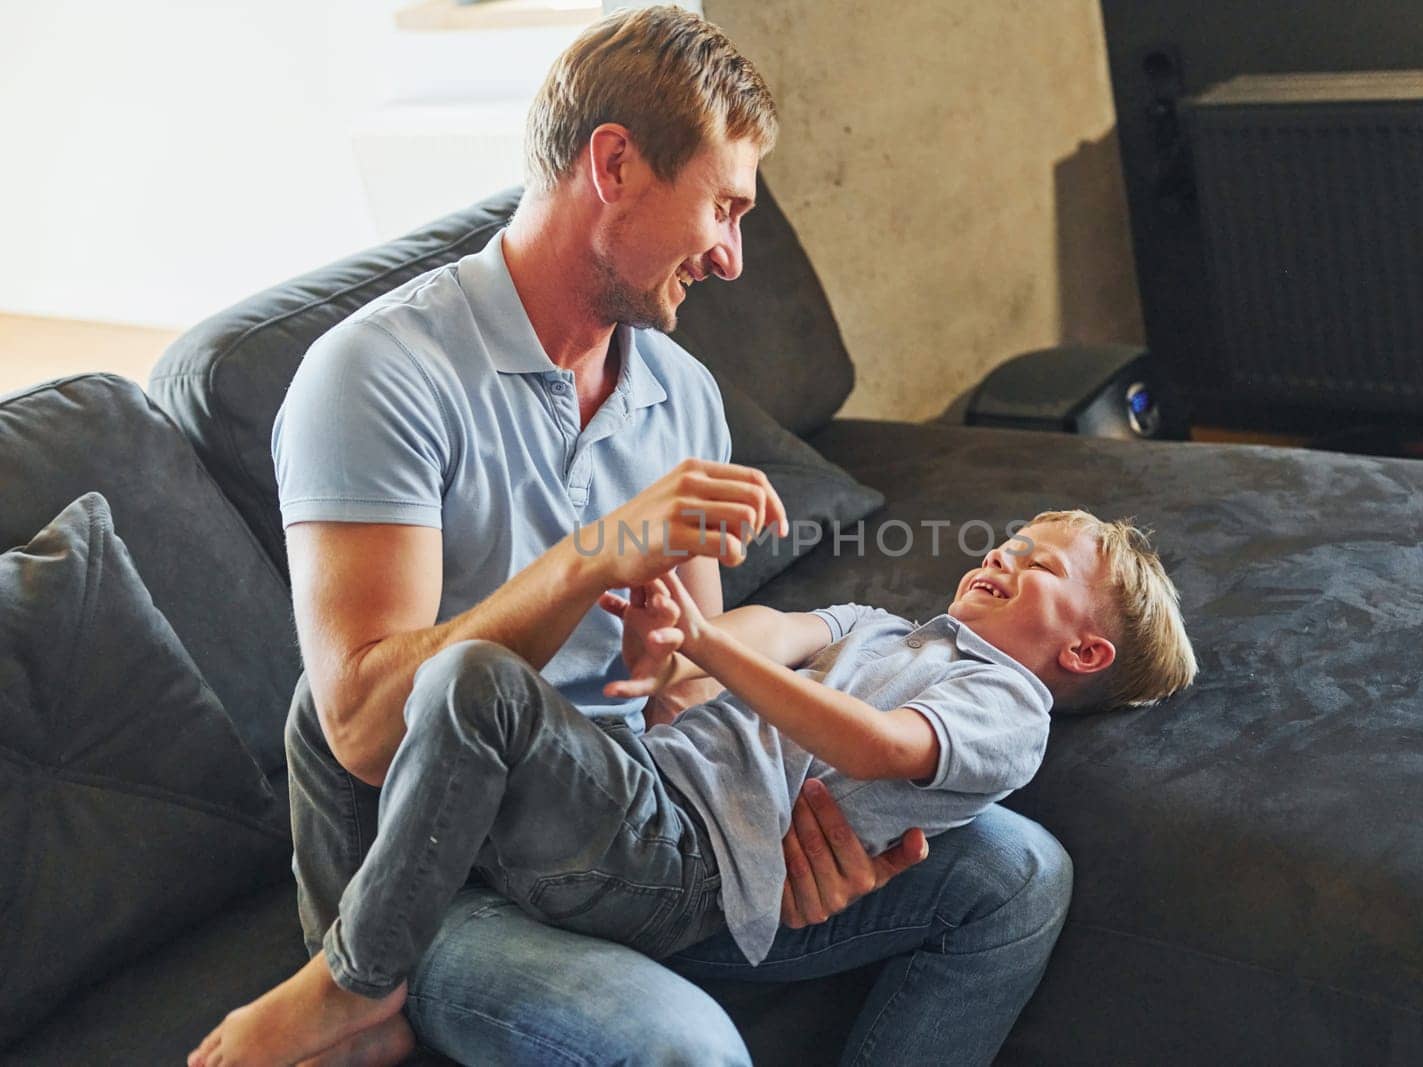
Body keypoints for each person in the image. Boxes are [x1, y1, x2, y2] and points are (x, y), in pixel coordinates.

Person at [222, 7, 1079, 1065]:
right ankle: (364, 979)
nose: (730, 257)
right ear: (616, 164)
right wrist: (599, 550)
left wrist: (805, 813)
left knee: (1021, 872)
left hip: (639, 818)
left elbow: (682, 688)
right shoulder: (377, 375)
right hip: (446, 863)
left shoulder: (679, 392)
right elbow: (355, 728)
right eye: (723, 207)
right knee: (691, 1052)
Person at [187, 511, 1196, 1067]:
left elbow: (885, 746)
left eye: (1036, 561)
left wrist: (705, 641)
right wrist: (677, 667)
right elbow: (787, 630)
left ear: (1084, 648)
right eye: (1007, 538)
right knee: (344, 697)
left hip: (676, 858)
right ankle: (353, 973)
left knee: (474, 678)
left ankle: (355, 973)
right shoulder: (894, 631)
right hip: (633, 792)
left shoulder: (1004, 705)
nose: (1001, 551)